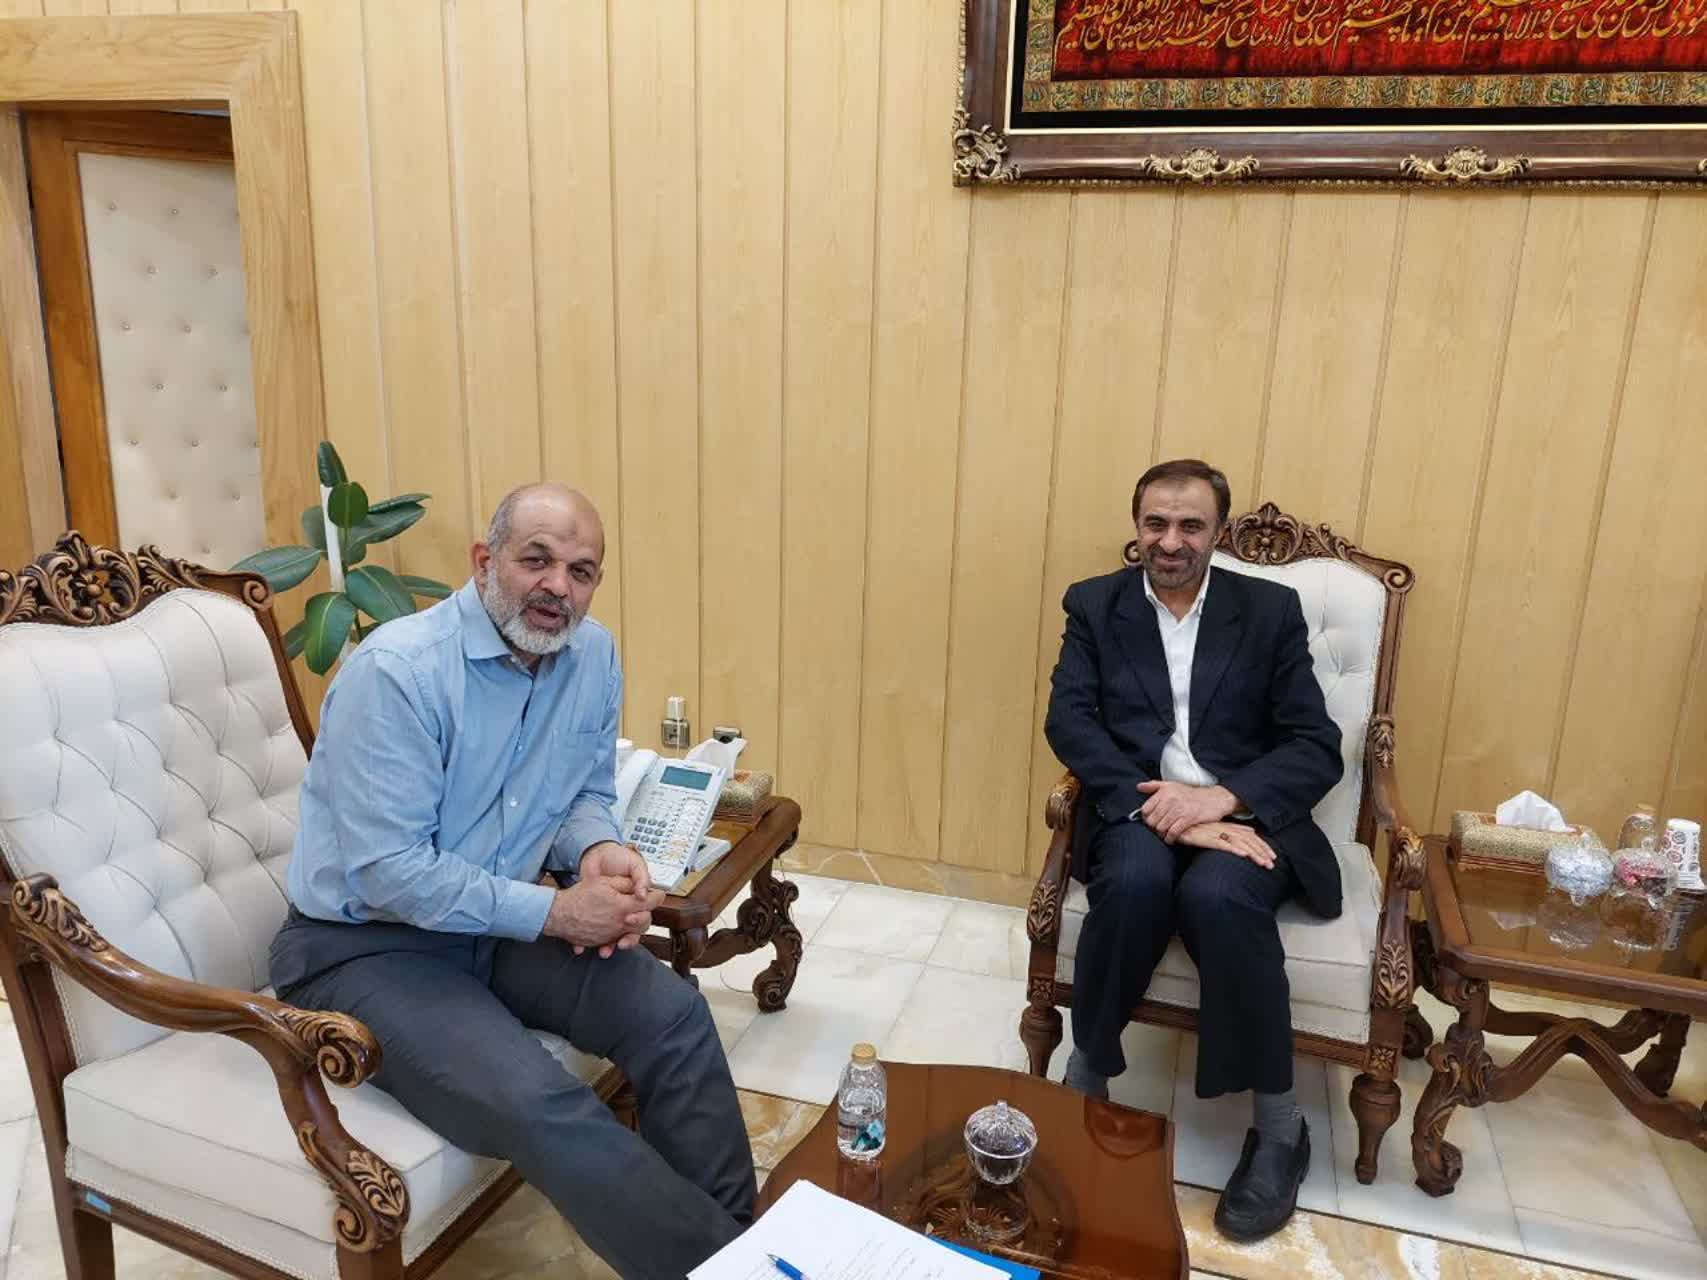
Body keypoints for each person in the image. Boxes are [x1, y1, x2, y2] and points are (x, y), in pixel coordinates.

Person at [270, 483, 755, 1279]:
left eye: (581, 571)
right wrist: (558, 914)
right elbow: (390, 874)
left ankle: (739, 1256)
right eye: (536, 560)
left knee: (671, 1014)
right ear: (484, 561)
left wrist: (598, 847)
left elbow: (584, 791)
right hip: (362, 949)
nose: (557, 586)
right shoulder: (395, 672)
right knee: (541, 1101)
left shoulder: (591, 656)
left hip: (491, 926)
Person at [1043, 459, 1343, 1242]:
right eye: (1155, 523)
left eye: (1189, 525)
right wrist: (1169, 812)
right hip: (1137, 808)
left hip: (1239, 817)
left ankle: (1278, 1129)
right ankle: (1086, 1081)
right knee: (1134, 883)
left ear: (1218, 532)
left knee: (1218, 896)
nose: (1169, 541)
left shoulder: (1268, 611)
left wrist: (1219, 800)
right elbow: (1070, 722)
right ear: (1136, 526)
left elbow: (1314, 744)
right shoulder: (1095, 604)